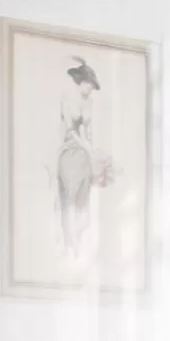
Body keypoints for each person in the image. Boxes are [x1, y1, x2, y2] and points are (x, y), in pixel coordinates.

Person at [56, 56, 114, 256]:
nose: (90, 89)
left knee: (83, 200)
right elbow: (71, 131)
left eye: (92, 86)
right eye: (88, 84)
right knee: (69, 199)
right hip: (69, 153)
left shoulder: (89, 102)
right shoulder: (68, 98)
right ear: (81, 82)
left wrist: (94, 152)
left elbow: (88, 132)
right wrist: (88, 149)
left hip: (83, 156)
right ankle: (67, 243)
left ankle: (78, 243)